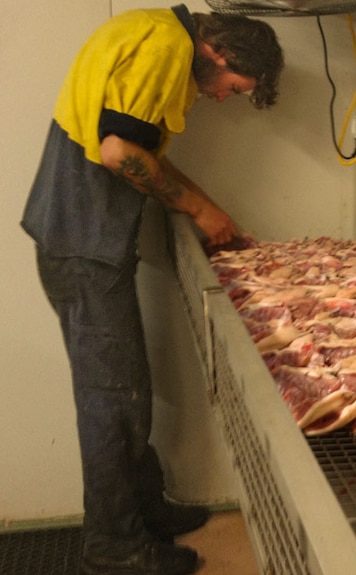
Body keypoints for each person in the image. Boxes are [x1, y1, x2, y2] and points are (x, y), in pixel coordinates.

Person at [20, 5, 284, 575]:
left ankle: (145, 508)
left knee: (128, 388)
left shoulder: (155, 35)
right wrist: (197, 208)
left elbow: (142, 152)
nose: (222, 101)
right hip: (82, 244)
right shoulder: (165, 45)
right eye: (234, 90)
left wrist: (212, 212)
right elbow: (119, 155)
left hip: (84, 242)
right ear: (222, 54)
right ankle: (114, 548)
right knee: (113, 401)